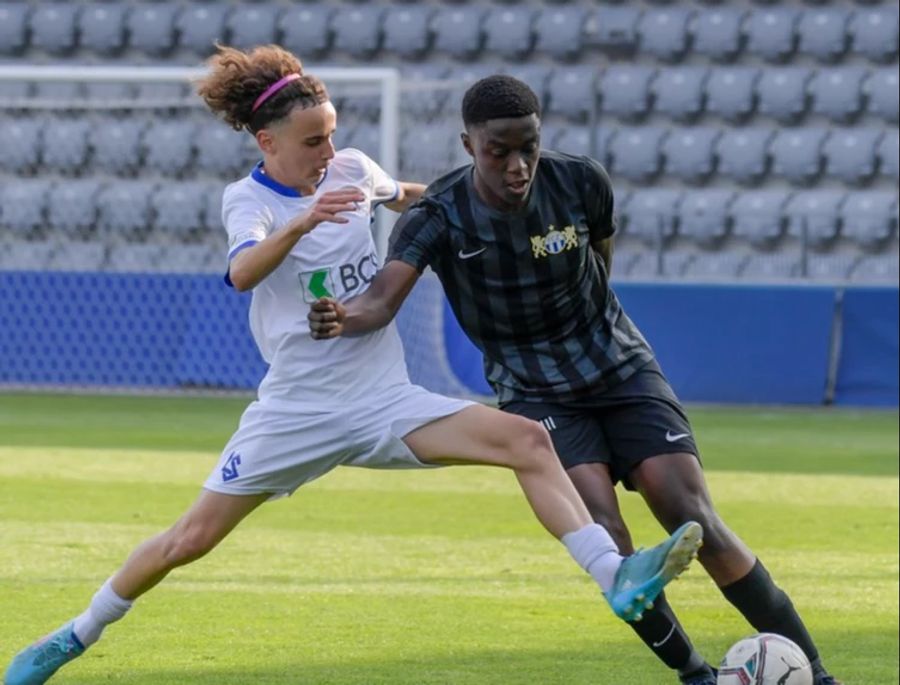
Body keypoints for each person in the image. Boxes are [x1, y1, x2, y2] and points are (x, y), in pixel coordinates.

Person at [3, 49, 703, 685]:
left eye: (332, 133)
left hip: (384, 399)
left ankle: (614, 576)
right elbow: (243, 273)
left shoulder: (353, 169)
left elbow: (429, 198)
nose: (328, 150)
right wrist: (303, 222)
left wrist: (514, 193)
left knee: (528, 440)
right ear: (266, 141)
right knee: (188, 539)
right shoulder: (247, 202)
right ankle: (73, 635)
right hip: (298, 411)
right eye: (313, 141)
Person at [307, 75, 842, 685]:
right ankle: (696, 675)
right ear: (467, 144)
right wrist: (341, 317)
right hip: (535, 390)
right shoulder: (437, 216)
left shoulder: (582, 181)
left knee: (690, 513)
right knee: (610, 540)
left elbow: (601, 262)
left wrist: (590, 328)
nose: (518, 165)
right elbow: (380, 302)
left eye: (528, 147)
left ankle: (819, 676)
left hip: (619, 366)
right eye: (498, 151)